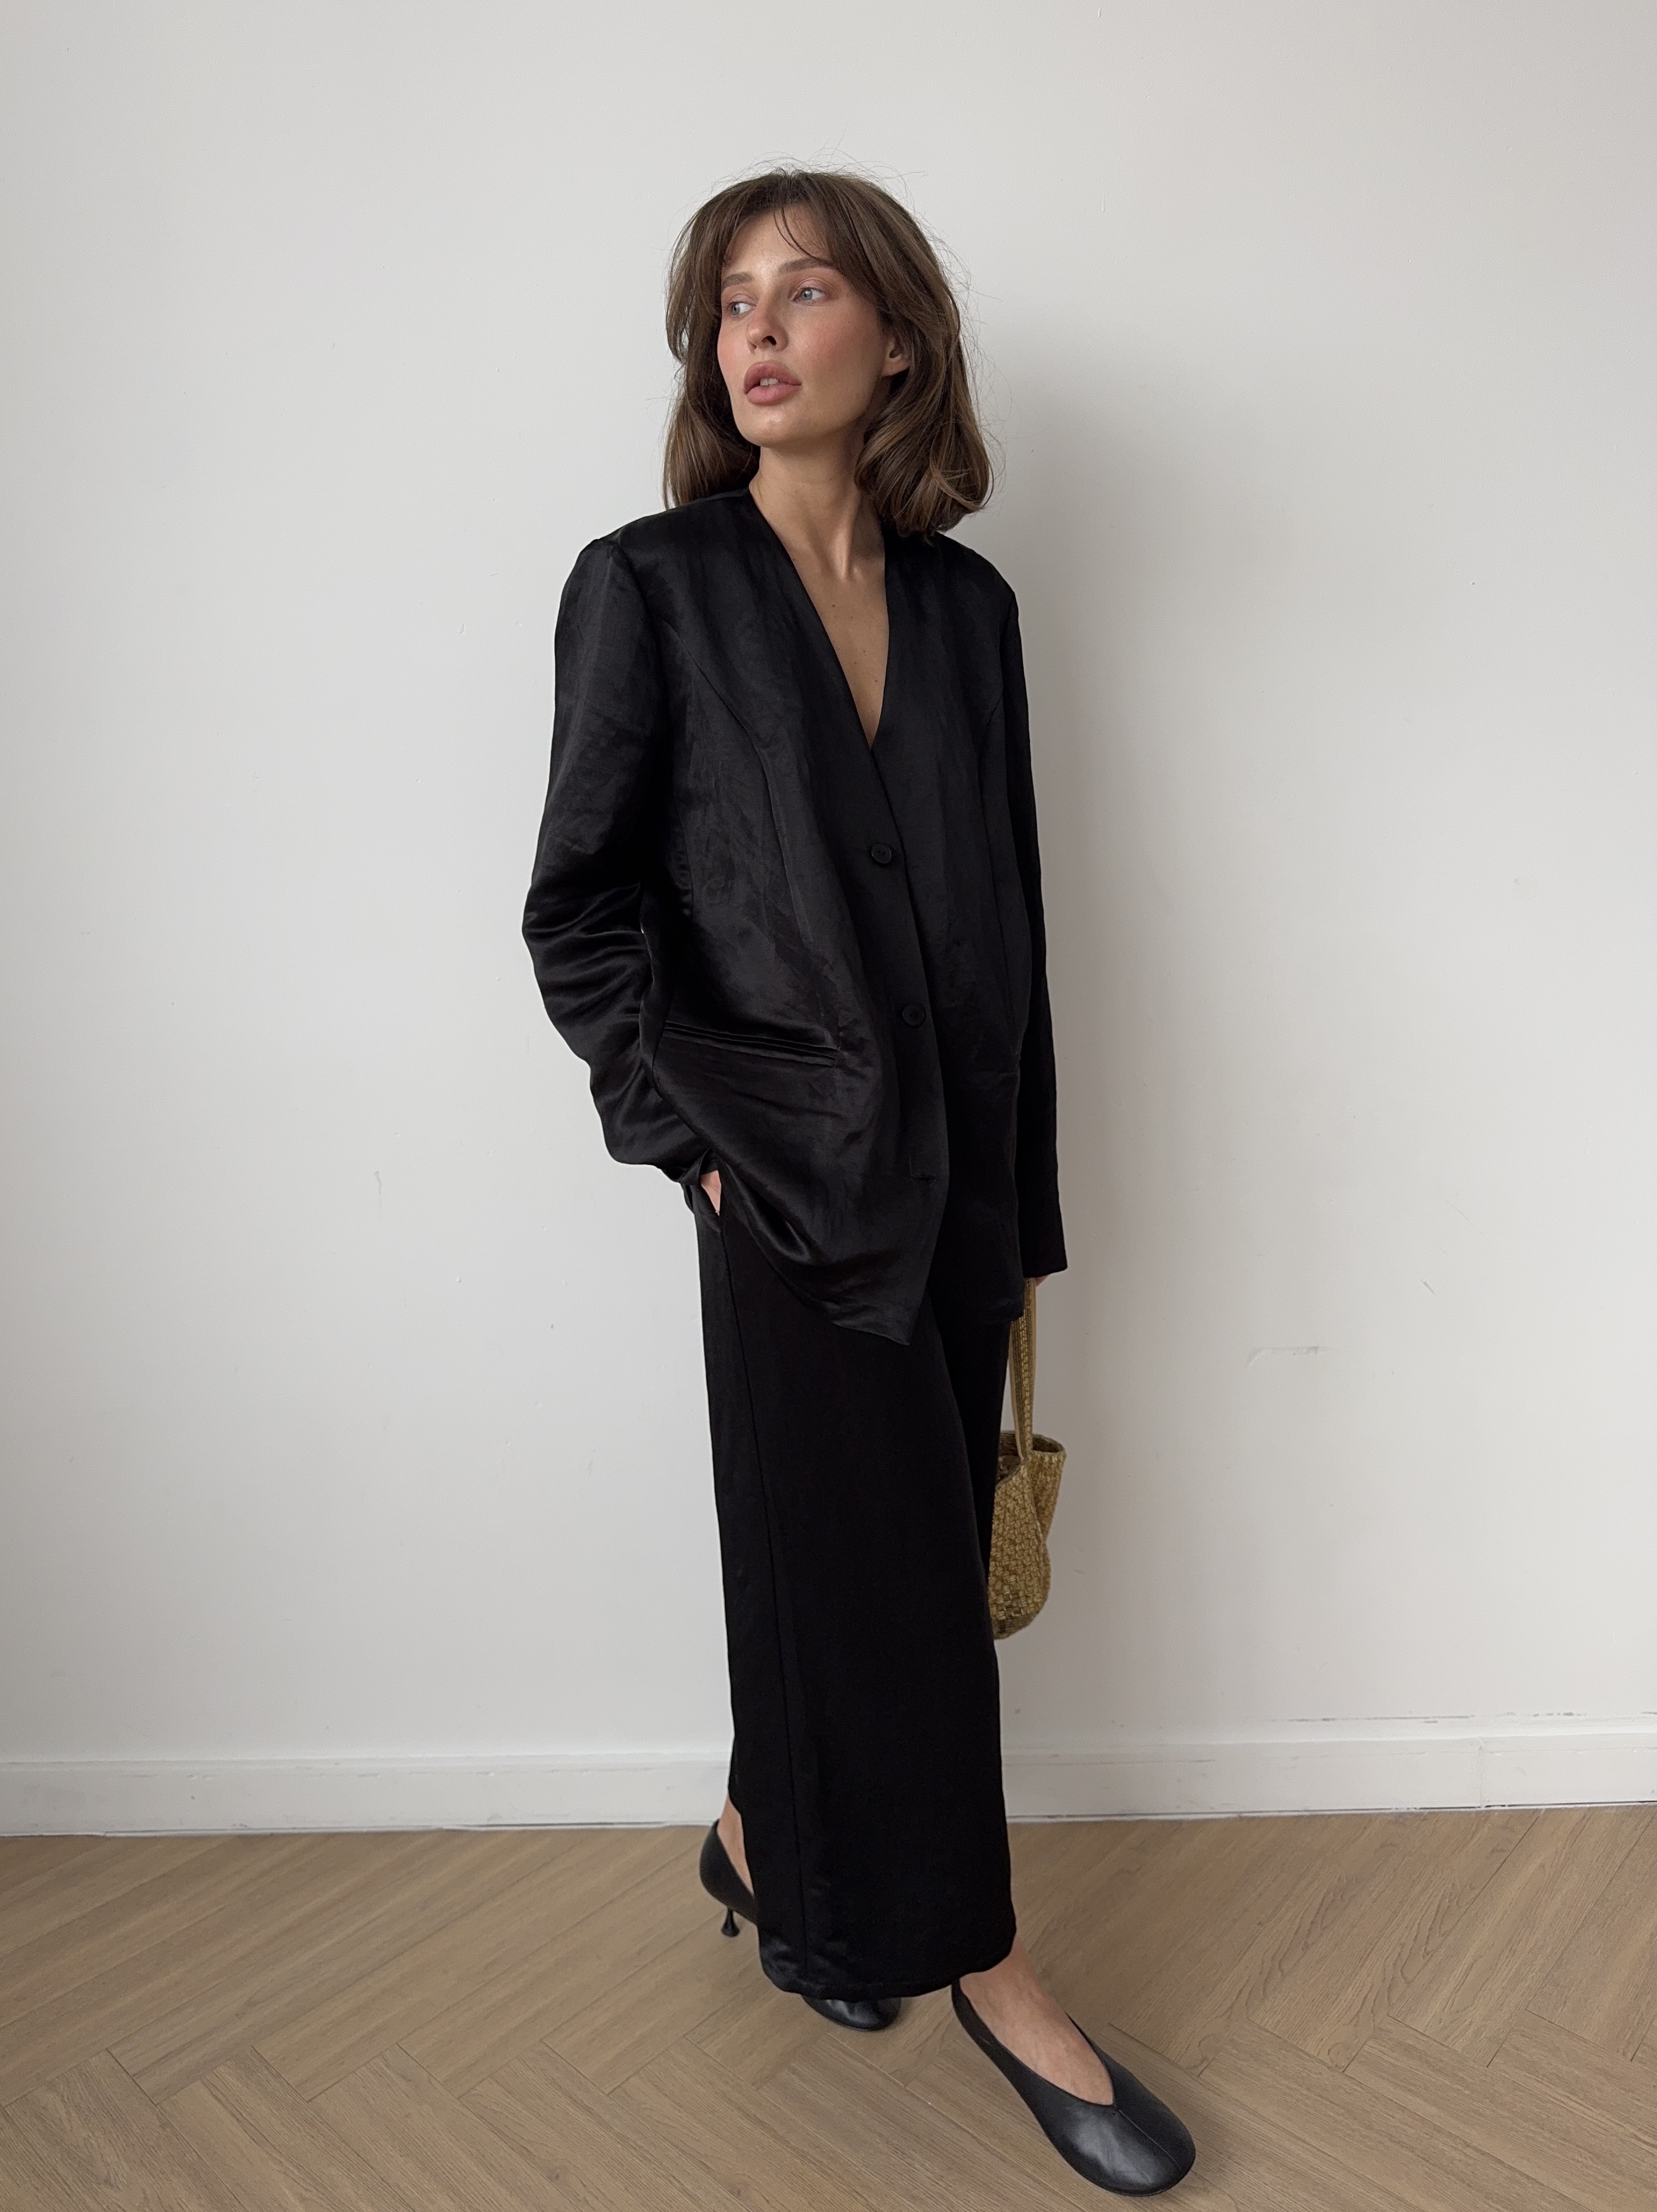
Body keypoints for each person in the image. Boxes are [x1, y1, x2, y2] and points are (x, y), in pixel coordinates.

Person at [523, 168, 1194, 2196]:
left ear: (894, 341)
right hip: (788, 1192)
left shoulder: (973, 613)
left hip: (961, 1185)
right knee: (883, 1594)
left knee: (873, 1564)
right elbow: (582, 916)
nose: (756, 328)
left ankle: (765, 1842)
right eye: (729, 300)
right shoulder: (650, 589)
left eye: (802, 289)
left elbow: (1013, 926)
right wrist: (700, 1159)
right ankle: (992, 1967)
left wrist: (1028, 1217)